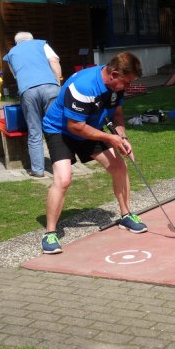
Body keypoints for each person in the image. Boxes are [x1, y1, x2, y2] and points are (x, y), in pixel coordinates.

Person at [41, 52, 146, 254]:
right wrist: (111, 139)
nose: (128, 87)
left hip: (90, 128)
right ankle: (50, 233)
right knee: (63, 179)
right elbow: (75, 127)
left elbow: (117, 115)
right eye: (126, 82)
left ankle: (126, 215)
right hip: (61, 130)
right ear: (114, 74)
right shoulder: (83, 86)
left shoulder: (116, 87)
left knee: (119, 167)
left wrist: (122, 138)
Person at [3, 32, 62, 178]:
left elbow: (16, 75)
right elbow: (54, 61)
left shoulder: (11, 54)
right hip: (50, 87)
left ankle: (37, 170)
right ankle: (61, 166)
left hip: (28, 91)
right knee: (55, 127)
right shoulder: (42, 44)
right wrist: (58, 81)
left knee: (34, 130)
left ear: (16, 42)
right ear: (31, 39)